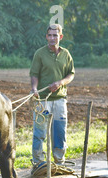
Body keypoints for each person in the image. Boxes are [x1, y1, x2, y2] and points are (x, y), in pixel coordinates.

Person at [30, 24, 75, 169]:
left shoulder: (66, 54)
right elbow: (34, 74)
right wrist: (34, 89)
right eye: (49, 35)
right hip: (43, 100)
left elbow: (71, 74)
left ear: (60, 37)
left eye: (55, 35)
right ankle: (38, 163)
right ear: (46, 37)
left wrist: (60, 83)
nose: (52, 38)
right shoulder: (40, 53)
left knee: (59, 133)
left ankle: (59, 163)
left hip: (60, 100)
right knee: (39, 132)